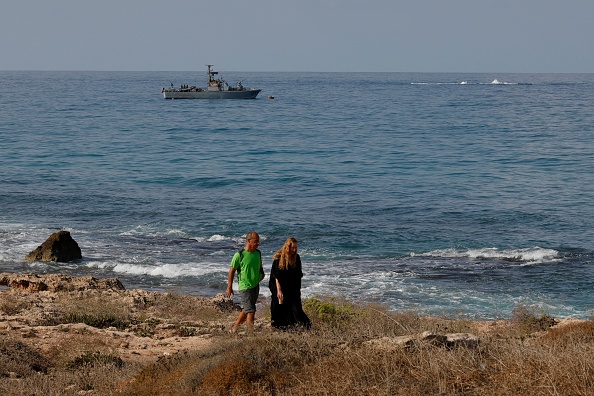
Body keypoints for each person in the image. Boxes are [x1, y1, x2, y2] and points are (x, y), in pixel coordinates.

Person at [226, 231, 264, 335]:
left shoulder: (258, 253)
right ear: (248, 241)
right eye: (256, 241)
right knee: (251, 311)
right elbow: (232, 271)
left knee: (247, 308)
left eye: (258, 241)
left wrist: (261, 276)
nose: (258, 243)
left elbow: (260, 269)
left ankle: (234, 328)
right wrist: (229, 287)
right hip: (244, 287)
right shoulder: (239, 255)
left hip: (255, 286)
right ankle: (250, 335)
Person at [269, 237, 311, 330]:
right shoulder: (278, 258)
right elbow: (276, 276)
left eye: (296, 247)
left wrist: (297, 288)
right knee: (279, 305)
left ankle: (300, 325)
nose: (295, 250)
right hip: (279, 284)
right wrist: (279, 290)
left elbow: (298, 273)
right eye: (293, 248)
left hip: (292, 285)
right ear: (288, 247)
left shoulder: (296, 257)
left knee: (296, 306)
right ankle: (279, 326)